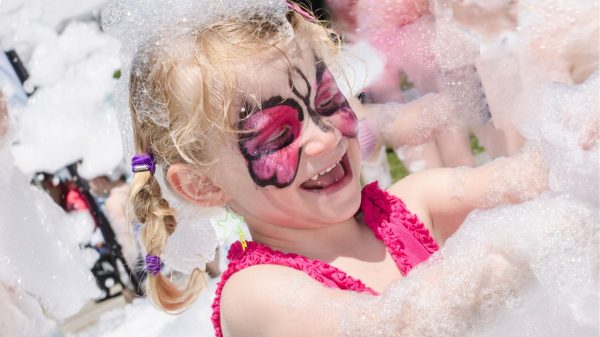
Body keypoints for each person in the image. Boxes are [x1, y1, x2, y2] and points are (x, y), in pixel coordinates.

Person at [103, 1, 549, 336]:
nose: (325, 136)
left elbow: (534, 175)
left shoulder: (415, 204)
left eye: (329, 102)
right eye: (277, 135)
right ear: (202, 185)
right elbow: (396, 325)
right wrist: (545, 238)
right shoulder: (258, 294)